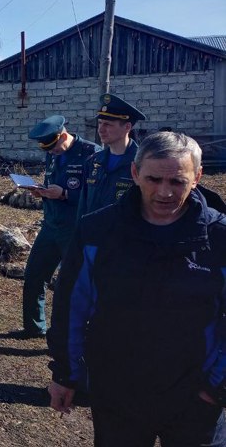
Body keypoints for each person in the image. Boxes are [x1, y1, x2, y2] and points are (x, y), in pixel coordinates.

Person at [47, 132, 226, 447]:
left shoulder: (220, 238)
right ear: (134, 173)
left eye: (177, 182)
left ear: (197, 177)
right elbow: (70, 307)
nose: (164, 192)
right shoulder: (97, 231)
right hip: (118, 392)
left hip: (195, 395)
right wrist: (65, 374)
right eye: (153, 179)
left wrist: (217, 385)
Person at [20, 115, 98, 338]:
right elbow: (53, 182)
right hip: (51, 225)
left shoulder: (91, 153)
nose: (51, 153)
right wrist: (42, 192)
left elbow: (95, 194)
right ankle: (34, 328)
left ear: (64, 136)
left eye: (54, 148)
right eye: (48, 150)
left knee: (73, 285)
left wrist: (64, 194)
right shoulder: (52, 155)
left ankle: (74, 336)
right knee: (34, 275)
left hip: (74, 229)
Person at [75, 93, 146, 219]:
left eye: (107, 124)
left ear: (127, 127)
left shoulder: (143, 163)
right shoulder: (93, 161)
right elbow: (83, 207)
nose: (101, 129)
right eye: (100, 123)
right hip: (93, 235)